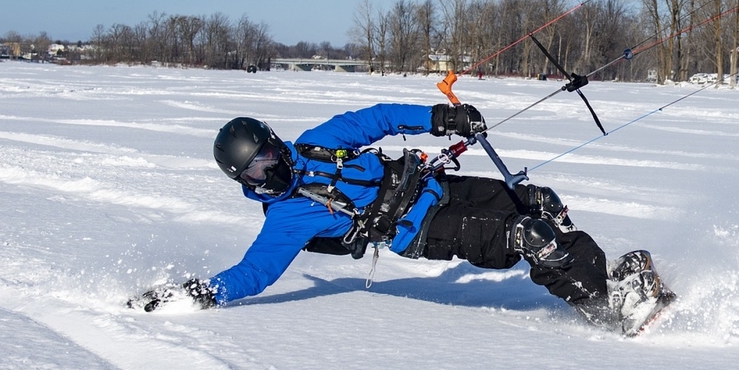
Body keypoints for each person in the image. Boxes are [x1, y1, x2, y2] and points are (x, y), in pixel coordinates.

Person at [129, 103, 674, 335]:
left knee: (539, 204)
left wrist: (439, 117)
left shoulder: (319, 142)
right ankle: (605, 309)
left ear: (275, 141)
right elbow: (255, 272)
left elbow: (379, 118)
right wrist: (202, 292)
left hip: (434, 185)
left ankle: (604, 280)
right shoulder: (285, 218)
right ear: (243, 181)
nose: (267, 173)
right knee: (526, 235)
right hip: (420, 231)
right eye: (253, 173)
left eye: (267, 157)